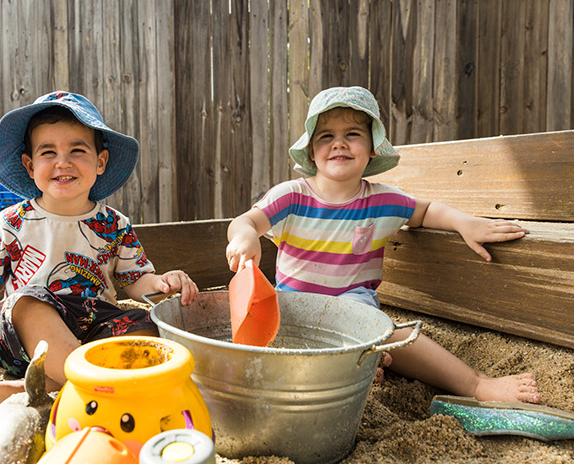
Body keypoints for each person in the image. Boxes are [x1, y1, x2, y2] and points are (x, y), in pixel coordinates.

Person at [225, 86, 540, 404]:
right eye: (325, 136)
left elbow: (426, 211)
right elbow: (246, 221)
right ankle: (358, 362)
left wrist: (465, 223)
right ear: (310, 151)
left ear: (373, 146)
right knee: (281, 346)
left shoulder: (382, 200)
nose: (339, 143)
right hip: (295, 312)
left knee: (393, 335)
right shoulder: (291, 196)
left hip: (356, 310)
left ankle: (475, 385)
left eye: (352, 134)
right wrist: (245, 236)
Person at [0, 91, 198, 417]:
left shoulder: (113, 224)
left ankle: (47, 390)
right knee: (28, 301)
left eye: (77, 150)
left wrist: (163, 282)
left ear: (100, 162)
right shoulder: (14, 221)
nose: (63, 161)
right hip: (26, 339)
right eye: (48, 152)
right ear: (30, 165)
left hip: (93, 327)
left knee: (145, 325)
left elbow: (137, 281)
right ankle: (85, 386)